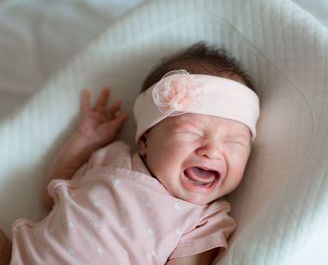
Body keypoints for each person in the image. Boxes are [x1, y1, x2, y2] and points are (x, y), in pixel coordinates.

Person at [0, 42, 260, 265]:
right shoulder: (113, 157)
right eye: (193, 132)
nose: (212, 150)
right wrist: (85, 141)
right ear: (146, 140)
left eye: (233, 142)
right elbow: (51, 195)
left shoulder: (206, 219)